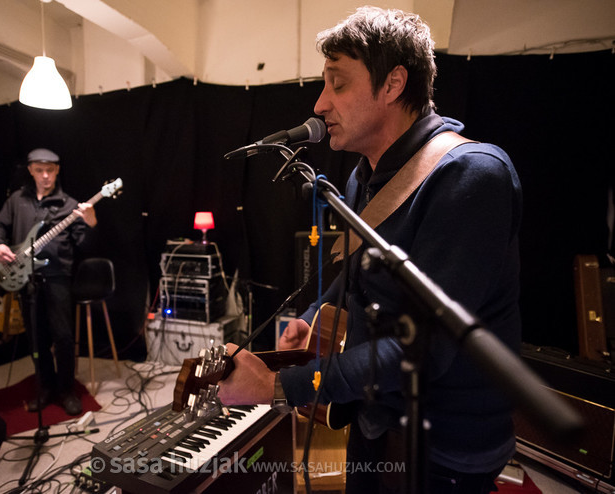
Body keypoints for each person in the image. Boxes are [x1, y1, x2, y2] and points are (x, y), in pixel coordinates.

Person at [218, 6, 522, 494]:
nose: (319, 104)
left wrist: (279, 386)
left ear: (393, 84)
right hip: (374, 414)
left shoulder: (472, 175)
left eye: (337, 84)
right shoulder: (365, 173)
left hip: (445, 445)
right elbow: (357, 275)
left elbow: (424, 350)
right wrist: (318, 315)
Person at [0, 148, 98, 416]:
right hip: (25, 278)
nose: (45, 176)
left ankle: (66, 390)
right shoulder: (17, 200)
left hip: (58, 277)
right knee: (36, 338)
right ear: (30, 170)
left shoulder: (70, 205)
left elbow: (85, 244)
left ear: (58, 170)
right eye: (39, 170)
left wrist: (91, 221)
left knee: (63, 337)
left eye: (50, 170)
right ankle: (45, 387)